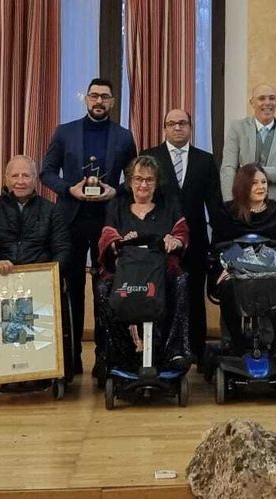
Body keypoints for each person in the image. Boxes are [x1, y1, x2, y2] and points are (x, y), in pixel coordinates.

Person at [42, 78, 137, 379]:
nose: (99, 101)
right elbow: (45, 172)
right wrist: (69, 189)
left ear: (112, 101)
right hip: (69, 220)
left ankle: (104, 358)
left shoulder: (123, 137)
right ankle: (69, 360)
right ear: (86, 99)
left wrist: (115, 192)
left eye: (105, 97)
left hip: (107, 222)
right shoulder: (65, 132)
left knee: (105, 290)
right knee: (70, 290)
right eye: (94, 96)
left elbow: (136, 178)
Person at [95, 155, 191, 372]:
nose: (143, 185)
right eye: (138, 179)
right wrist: (116, 244)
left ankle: (172, 351)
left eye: (149, 180)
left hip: (160, 267)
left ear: (157, 183)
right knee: (103, 288)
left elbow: (181, 233)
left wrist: (174, 241)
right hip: (126, 268)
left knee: (180, 281)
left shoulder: (169, 205)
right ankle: (118, 354)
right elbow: (107, 236)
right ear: (130, 181)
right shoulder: (117, 205)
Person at [140, 109, 222, 361]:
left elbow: (215, 205)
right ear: (164, 128)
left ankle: (196, 351)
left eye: (183, 123)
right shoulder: (150, 158)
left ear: (190, 127)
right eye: (172, 124)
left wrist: (217, 244)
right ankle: (162, 352)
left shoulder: (205, 160)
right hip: (159, 242)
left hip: (196, 242)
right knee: (161, 295)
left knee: (195, 297)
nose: (178, 128)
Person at [214, 163, 276, 353]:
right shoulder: (228, 211)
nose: (261, 187)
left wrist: (269, 262)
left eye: (264, 182)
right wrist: (244, 261)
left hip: (270, 271)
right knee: (227, 287)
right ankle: (236, 343)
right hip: (237, 273)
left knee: (275, 285)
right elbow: (218, 246)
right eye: (254, 183)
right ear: (243, 186)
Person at [219, 83, 276, 204]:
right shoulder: (237, 129)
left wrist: (257, 172)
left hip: (275, 207)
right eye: (262, 98)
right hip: (243, 204)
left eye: (272, 98)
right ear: (252, 102)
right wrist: (229, 202)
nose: (267, 102)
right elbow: (228, 168)